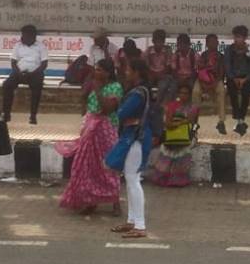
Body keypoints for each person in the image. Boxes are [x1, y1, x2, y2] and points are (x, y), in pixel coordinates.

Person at [55, 59, 123, 214]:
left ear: (108, 72)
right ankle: (90, 200)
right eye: (96, 69)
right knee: (88, 165)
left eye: (100, 70)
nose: (97, 73)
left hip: (106, 129)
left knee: (109, 165)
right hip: (90, 128)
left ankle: (115, 202)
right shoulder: (91, 83)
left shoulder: (115, 87)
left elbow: (107, 109)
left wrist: (98, 90)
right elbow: (84, 101)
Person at [106, 58, 154, 239]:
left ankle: (140, 225)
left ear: (136, 73)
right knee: (130, 178)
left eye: (128, 69)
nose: (125, 73)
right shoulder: (140, 92)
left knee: (133, 179)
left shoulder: (137, 94)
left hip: (135, 137)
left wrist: (118, 106)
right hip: (135, 135)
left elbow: (121, 113)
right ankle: (132, 220)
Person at [150, 81, 199, 187]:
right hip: (171, 135)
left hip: (186, 136)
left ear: (189, 95)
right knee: (168, 151)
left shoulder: (193, 108)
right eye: (181, 93)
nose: (183, 95)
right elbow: (168, 123)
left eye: (186, 93)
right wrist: (181, 122)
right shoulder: (172, 106)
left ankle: (179, 180)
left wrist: (177, 123)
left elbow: (192, 122)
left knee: (182, 151)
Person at [2, 24, 48, 124]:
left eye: (26, 35)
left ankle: (33, 115)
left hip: (35, 73)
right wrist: (18, 72)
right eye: (23, 35)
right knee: (7, 85)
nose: (23, 37)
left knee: (37, 87)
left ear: (33, 36)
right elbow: (13, 62)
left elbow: (44, 64)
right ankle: (6, 114)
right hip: (19, 73)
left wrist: (33, 73)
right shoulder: (17, 45)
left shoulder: (41, 46)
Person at [224, 25, 250, 136]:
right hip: (232, 77)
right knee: (232, 92)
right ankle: (239, 119)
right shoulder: (229, 50)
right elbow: (227, 67)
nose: (237, 39)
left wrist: (244, 79)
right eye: (236, 37)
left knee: (246, 93)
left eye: (240, 37)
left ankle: (241, 119)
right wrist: (233, 78)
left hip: (246, 78)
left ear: (245, 38)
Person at [196, 33, 228, 135]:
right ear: (206, 44)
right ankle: (194, 121)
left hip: (216, 81)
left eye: (215, 42)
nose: (213, 44)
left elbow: (221, 73)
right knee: (195, 91)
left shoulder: (221, 57)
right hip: (202, 80)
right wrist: (204, 85)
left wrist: (213, 84)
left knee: (222, 91)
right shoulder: (203, 56)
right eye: (210, 42)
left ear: (218, 43)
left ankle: (221, 121)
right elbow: (200, 71)